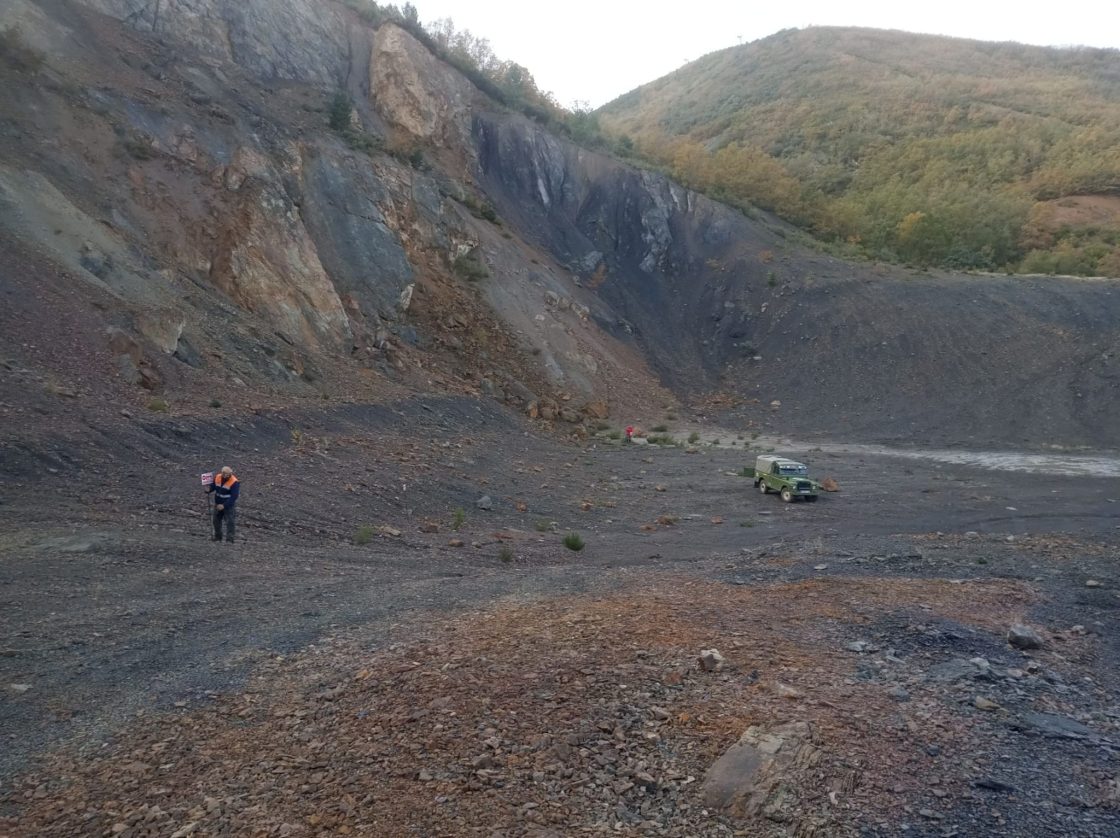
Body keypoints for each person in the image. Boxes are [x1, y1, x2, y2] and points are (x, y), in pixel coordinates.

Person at [206, 465, 240, 542]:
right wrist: (209, 489)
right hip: (218, 503)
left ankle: (229, 540)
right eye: (224, 474)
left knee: (230, 522)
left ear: (230, 474)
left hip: (228, 506)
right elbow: (213, 486)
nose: (226, 476)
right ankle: (218, 537)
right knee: (216, 521)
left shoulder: (234, 482)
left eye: (228, 474)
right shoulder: (217, 477)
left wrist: (224, 505)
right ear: (222, 473)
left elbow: (234, 497)